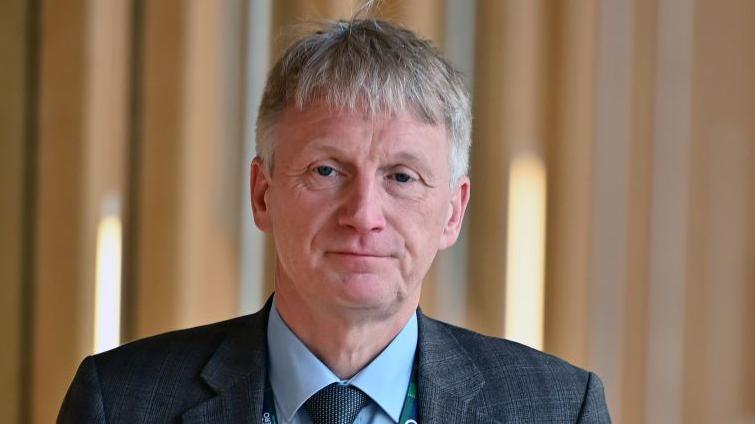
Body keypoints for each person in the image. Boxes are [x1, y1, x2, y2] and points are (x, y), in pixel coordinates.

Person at [59, 16, 610, 424]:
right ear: (262, 194)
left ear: (453, 211)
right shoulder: (122, 402)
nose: (364, 215)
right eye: (327, 170)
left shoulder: (558, 409)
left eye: (402, 177)